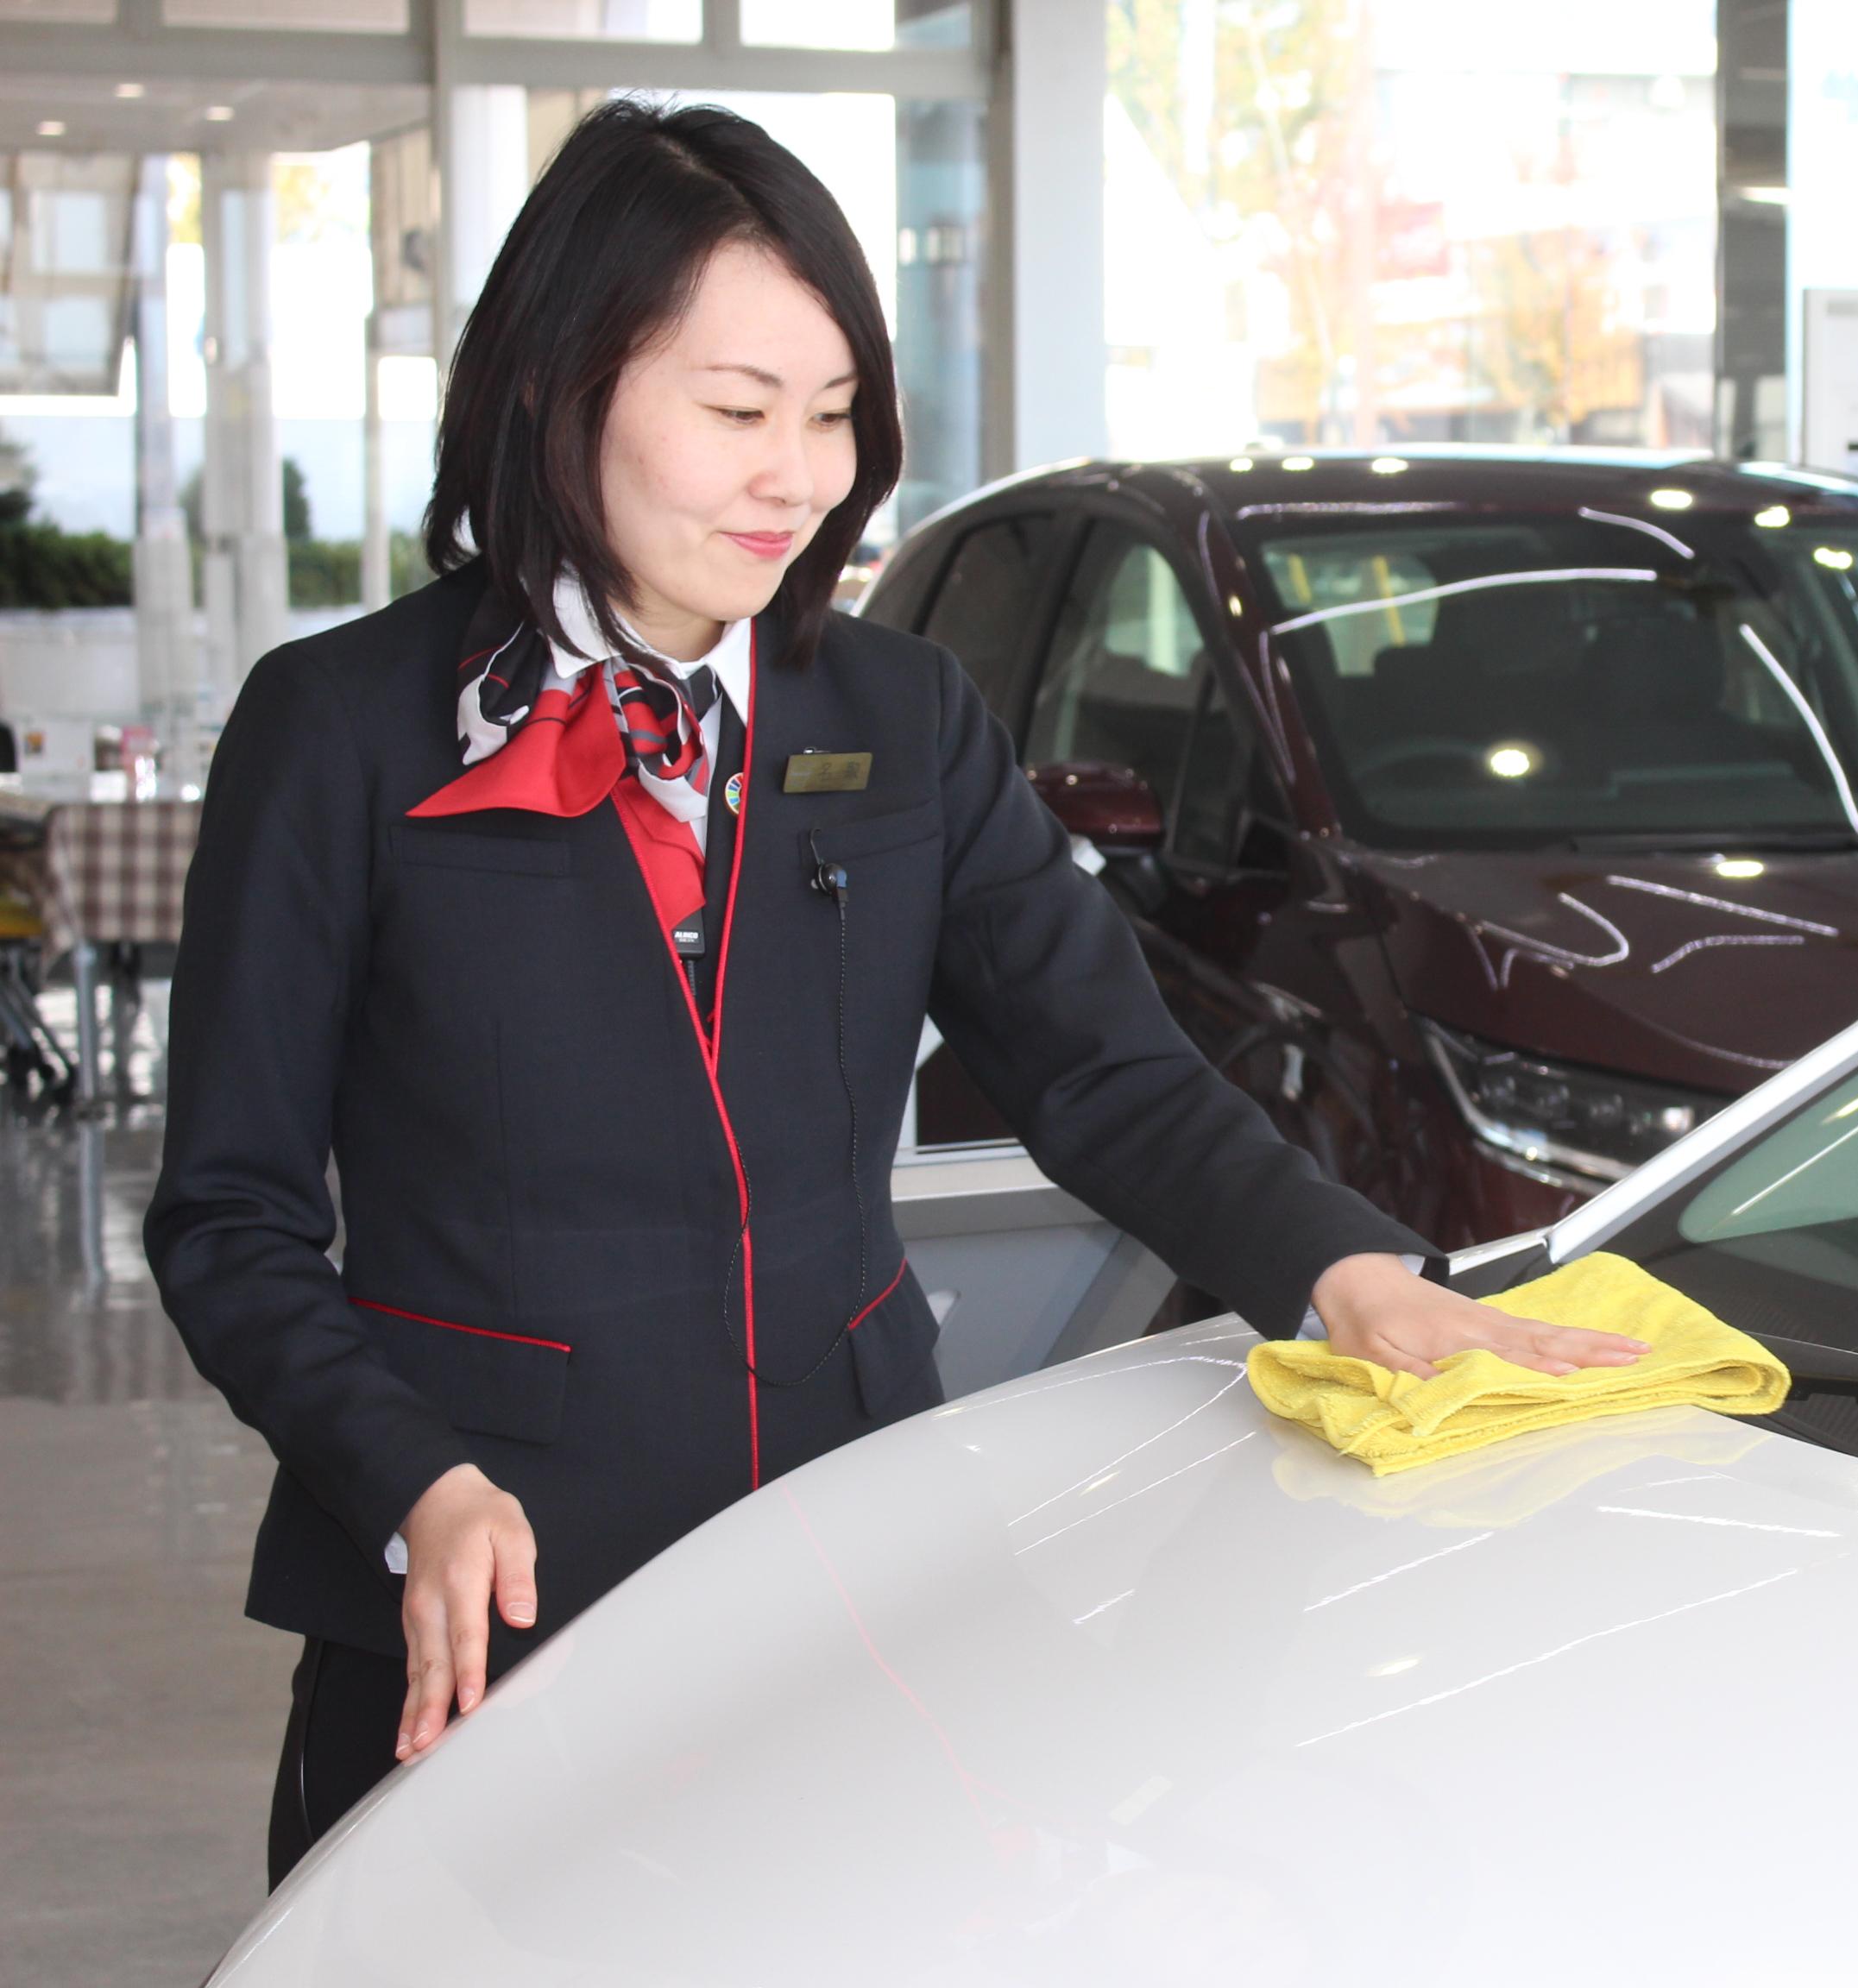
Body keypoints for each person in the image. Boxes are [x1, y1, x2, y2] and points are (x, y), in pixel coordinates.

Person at [142, 101, 1646, 1888]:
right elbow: (228, 1219)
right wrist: (410, 1480)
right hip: (495, 1583)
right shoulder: (343, 733)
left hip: (851, 1576)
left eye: (834, 412)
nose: (798, 476)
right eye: (736, 410)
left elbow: (1110, 1078)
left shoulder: (898, 718)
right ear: (562, 386)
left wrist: (1351, 1274)